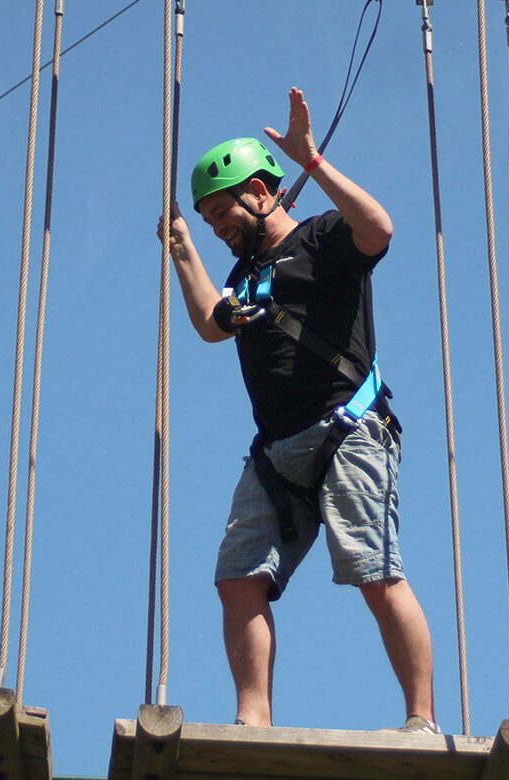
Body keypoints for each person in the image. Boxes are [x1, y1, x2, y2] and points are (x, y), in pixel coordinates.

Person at [155, 87, 438, 734]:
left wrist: (311, 162)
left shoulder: (323, 241)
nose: (219, 230)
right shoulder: (248, 275)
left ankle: (421, 719)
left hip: (348, 432)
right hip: (276, 451)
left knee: (374, 573)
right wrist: (181, 247)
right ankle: (253, 719)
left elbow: (379, 228)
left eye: (223, 214)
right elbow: (211, 323)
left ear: (260, 191)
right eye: (208, 223)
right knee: (237, 579)